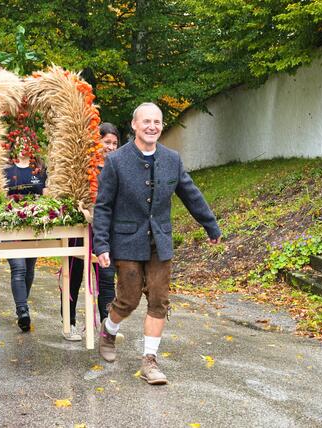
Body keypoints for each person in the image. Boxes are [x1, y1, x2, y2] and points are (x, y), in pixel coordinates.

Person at [93, 102, 222, 385]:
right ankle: (109, 329)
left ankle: (149, 361)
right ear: (134, 125)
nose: (152, 126)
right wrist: (100, 245)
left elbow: (191, 193)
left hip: (159, 241)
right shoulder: (116, 161)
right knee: (127, 299)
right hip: (126, 240)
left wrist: (210, 224)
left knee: (159, 300)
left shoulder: (172, 159)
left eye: (157, 121)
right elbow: (103, 206)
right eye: (147, 121)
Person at [61, 123, 121, 341]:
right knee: (74, 276)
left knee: (106, 276)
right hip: (82, 229)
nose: (111, 147)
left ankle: (108, 324)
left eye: (115, 143)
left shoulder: (118, 168)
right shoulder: (85, 167)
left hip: (107, 231)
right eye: (107, 142)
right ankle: (69, 323)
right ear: (98, 142)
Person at [4, 139, 46, 332]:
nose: (23, 148)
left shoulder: (39, 168)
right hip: (11, 225)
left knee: (29, 269)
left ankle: (22, 304)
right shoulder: (6, 169)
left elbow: (46, 194)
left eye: (27, 143)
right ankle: (22, 310)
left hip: (33, 226)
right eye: (19, 143)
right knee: (18, 268)